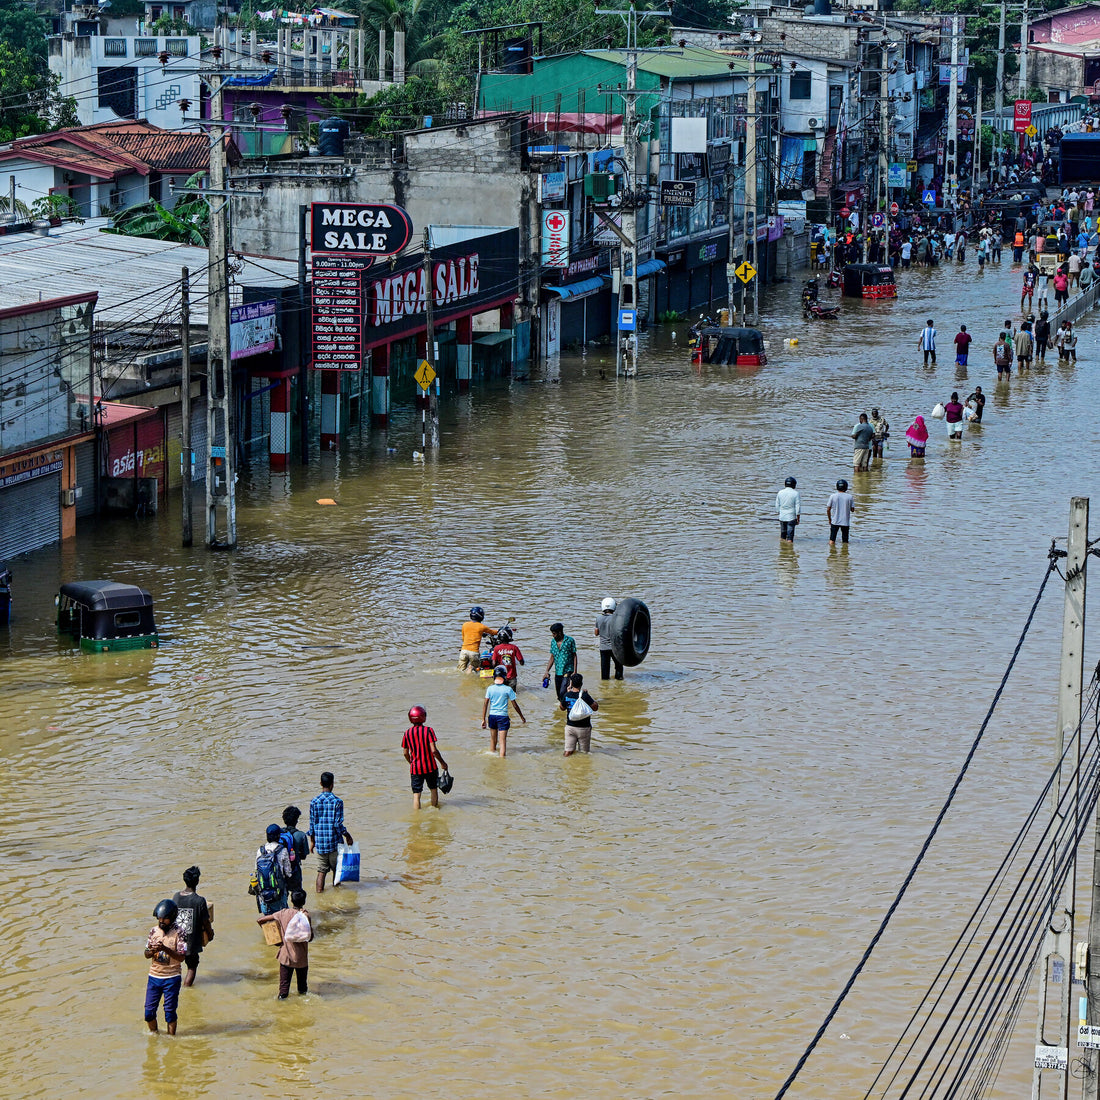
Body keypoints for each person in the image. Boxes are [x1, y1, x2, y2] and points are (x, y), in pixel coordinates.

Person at [144, 899, 187, 1035]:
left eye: (165, 919)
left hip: (172, 977)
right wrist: (152, 951)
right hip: (154, 977)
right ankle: (154, 1035)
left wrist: (165, 948)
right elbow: (146, 954)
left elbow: (181, 957)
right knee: (148, 1013)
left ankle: (171, 1039)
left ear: (172, 918)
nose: (161, 921)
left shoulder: (180, 933)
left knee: (169, 1012)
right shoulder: (153, 931)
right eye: (160, 918)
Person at [308, 772, 352, 894]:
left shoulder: (314, 802)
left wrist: (312, 842)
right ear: (333, 784)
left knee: (321, 871)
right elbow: (337, 824)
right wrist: (347, 835)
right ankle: (336, 896)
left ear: (321, 783)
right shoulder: (337, 802)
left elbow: (312, 824)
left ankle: (319, 894)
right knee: (337, 870)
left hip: (321, 843)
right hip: (334, 842)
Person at [172, 866, 213, 988]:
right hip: (191, 942)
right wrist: (210, 935)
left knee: (175, 967)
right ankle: (186, 987)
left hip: (176, 939)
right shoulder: (199, 901)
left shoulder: (176, 897)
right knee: (192, 966)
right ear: (198, 881)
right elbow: (206, 922)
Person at [403, 704, 449, 806]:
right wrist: (442, 762)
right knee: (433, 789)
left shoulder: (407, 733)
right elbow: (434, 751)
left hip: (415, 769)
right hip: (430, 767)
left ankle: (416, 819)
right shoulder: (428, 731)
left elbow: (405, 753)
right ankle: (434, 811)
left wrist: (411, 762)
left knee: (416, 794)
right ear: (423, 717)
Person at [272, 890, 313, 999]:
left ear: (291, 900)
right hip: (301, 959)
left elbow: (263, 919)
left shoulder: (283, 913)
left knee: (283, 990)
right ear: (304, 901)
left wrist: (275, 939)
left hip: (286, 957)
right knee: (302, 990)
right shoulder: (305, 915)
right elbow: (310, 937)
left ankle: (281, 1011)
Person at [481, 666, 527, 757]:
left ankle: (492, 759)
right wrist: (521, 716)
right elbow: (514, 705)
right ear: (504, 677)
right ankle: (502, 762)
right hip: (503, 717)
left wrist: (483, 719)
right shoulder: (508, 689)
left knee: (493, 740)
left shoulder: (490, 689)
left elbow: (485, 703)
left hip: (492, 716)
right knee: (502, 742)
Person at [254, 824, 292, 916]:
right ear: (278, 836)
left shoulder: (260, 851)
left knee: (268, 922)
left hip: (264, 894)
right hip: (279, 893)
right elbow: (288, 873)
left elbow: (256, 871)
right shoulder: (282, 850)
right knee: (282, 919)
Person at [559, 672, 599, 757]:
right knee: (584, 754)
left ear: (571, 683)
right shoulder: (584, 696)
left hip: (570, 728)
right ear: (581, 683)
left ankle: (565, 767)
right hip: (584, 728)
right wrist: (587, 695)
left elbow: (562, 708)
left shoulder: (567, 695)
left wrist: (567, 693)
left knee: (567, 752)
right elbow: (595, 707)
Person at [542, 623, 578, 699]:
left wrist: (575, 671)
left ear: (560, 632)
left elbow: (574, 656)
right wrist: (547, 671)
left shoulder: (570, 640)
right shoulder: (553, 642)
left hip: (568, 670)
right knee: (559, 695)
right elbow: (552, 657)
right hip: (558, 671)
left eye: (554, 633)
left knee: (562, 692)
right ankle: (564, 707)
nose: (553, 635)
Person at [281, 806, 310, 893]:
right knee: (297, 894)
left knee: (283, 895)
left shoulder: (279, 833)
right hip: (294, 870)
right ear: (296, 820)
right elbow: (304, 855)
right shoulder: (301, 835)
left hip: (281, 870)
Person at [594, 597, 623, 681]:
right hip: (615, 648)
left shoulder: (598, 618)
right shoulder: (617, 618)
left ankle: (605, 687)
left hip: (603, 648)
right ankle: (619, 685)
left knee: (605, 670)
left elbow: (596, 633)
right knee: (618, 667)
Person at [458, 606, 494, 674]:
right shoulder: (481, 626)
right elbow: (492, 632)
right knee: (476, 670)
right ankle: (470, 669)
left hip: (463, 651)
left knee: (460, 670)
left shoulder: (464, 625)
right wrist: (500, 631)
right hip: (474, 652)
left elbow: (464, 638)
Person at [826, 478, 855, 546]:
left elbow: (828, 509)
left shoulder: (833, 496)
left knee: (832, 540)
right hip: (845, 522)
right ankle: (845, 554)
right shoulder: (850, 497)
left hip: (835, 521)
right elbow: (852, 510)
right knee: (845, 541)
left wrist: (830, 519)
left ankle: (832, 553)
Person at [775, 475, 800, 542]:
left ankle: (783, 549)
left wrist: (779, 513)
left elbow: (777, 505)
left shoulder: (780, 492)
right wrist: (798, 518)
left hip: (782, 516)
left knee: (783, 535)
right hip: (791, 517)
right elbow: (797, 507)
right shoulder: (796, 493)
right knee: (790, 537)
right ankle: (789, 550)